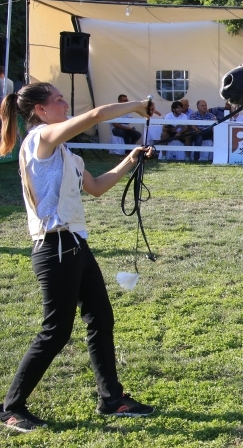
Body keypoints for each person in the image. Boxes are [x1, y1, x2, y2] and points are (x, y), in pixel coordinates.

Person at [0, 83, 155, 432]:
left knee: (101, 318)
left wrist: (130, 160)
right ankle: (11, 407)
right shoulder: (40, 140)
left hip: (75, 246)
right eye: (57, 99)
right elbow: (97, 115)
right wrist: (137, 105)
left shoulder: (65, 152)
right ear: (40, 110)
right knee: (55, 331)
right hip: (53, 250)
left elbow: (97, 187)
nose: (64, 102)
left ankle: (111, 399)